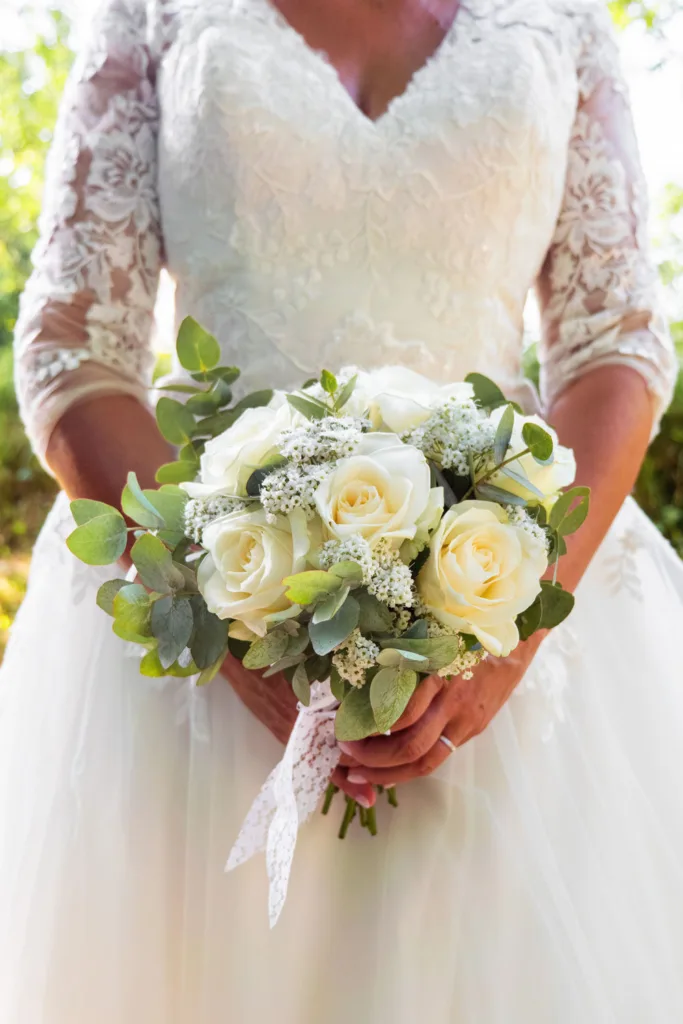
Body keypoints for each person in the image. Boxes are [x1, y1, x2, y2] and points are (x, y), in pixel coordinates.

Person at [2, 0, 683, 1019]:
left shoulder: (563, 20)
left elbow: (613, 344)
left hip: (509, 611)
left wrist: (507, 629)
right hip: (200, 634)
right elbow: (74, 348)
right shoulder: (152, 12)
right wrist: (218, 607)